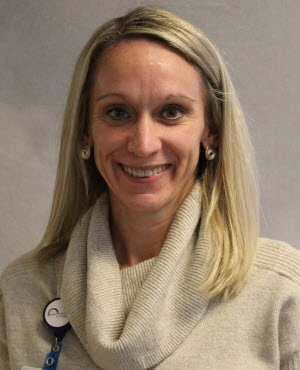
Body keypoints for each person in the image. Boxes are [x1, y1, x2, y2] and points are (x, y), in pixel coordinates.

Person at [0, 5, 299, 370]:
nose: (143, 144)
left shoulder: (280, 290)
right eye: (118, 113)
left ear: (212, 132)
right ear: (85, 131)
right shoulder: (21, 293)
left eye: (171, 112)